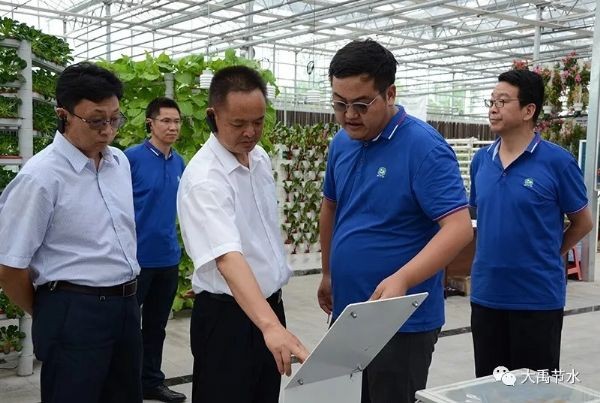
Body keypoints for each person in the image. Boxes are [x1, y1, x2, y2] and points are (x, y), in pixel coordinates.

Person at [318, 39, 473, 403]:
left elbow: (459, 227)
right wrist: (328, 272)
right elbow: (331, 207)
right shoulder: (342, 143)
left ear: (390, 94)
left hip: (401, 322)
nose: (349, 115)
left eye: (361, 105)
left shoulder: (424, 147)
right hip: (348, 314)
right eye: (339, 104)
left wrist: (403, 277)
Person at [0, 62, 142, 403]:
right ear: (63, 115)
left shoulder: (119, 163)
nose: (108, 130)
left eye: (115, 118)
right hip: (73, 310)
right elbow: (9, 267)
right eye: (96, 120)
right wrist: (51, 311)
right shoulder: (40, 178)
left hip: (125, 305)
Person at [177, 65, 309, 403]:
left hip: (268, 307)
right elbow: (227, 258)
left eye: (258, 122)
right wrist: (270, 326)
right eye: (238, 124)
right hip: (228, 319)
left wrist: (271, 321)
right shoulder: (205, 179)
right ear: (213, 117)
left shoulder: (259, 158)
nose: (250, 132)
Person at [469, 69, 592, 377]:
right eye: (491, 101)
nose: (493, 108)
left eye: (502, 101)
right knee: (489, 387)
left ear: (528, 111)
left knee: (534, 390)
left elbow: (583, 222)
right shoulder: (481, 161)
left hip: (536, 299)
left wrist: (551, 252)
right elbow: (479, 217)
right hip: (486, 295)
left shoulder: (558, 162)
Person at [124, 97, 186, 402]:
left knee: (156, 326)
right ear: (150, 123)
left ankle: (152, 382)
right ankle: (126, 385)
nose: (173, 127)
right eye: (166, 121)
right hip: (135, 261)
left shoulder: (179, 162)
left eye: (177, 121)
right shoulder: (130, 159)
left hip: (167, 258)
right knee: (126, 328)